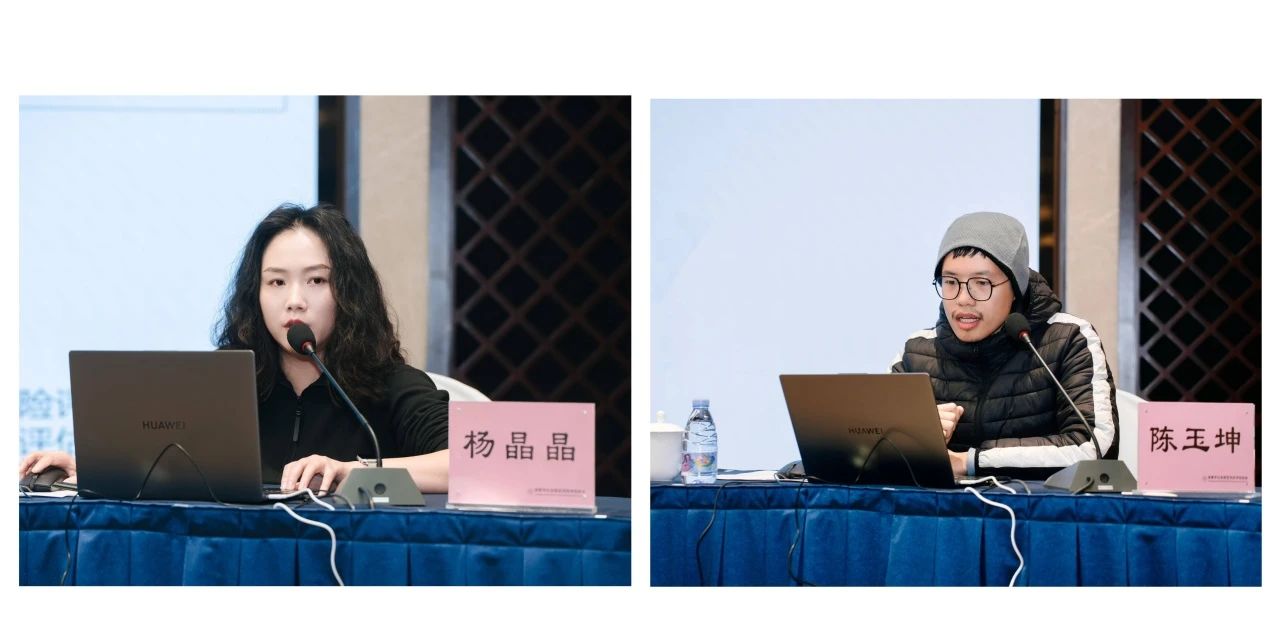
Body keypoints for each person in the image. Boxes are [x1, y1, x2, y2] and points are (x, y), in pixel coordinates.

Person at [18, 203, 450, 494]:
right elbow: (165, 464)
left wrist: (354, 472)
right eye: (276, 282)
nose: (294, 300)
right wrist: (86, 472)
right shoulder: (223, 381)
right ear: (255, 294)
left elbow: (470, 464)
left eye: (316, 280)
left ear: (349, 292)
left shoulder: (390, 383)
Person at [891, 211, 1119, 480]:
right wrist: (915, 436)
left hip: (1038, 505)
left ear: (1015, 289)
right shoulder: (916, 353)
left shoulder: (1068, 340)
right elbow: (873, 449)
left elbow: (1094, 447)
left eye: (981, 283)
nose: (963, 299)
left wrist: (969, 461)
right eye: (950, 282)